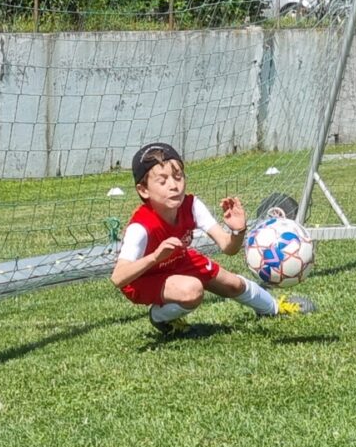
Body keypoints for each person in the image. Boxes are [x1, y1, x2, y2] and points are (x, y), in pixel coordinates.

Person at [111, 142, 314, 337]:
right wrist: (155, 257)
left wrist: (238, 231)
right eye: (162, 181)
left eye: (178, 176)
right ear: (143, 190)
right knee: (192, 290)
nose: (174, 186)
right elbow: (118, 278)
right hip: (143, 277)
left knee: (233, 285)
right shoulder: (141, 227)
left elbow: (228, 248)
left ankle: (274, 308)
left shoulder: (191, 205)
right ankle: (160, 318)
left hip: (178, 260)